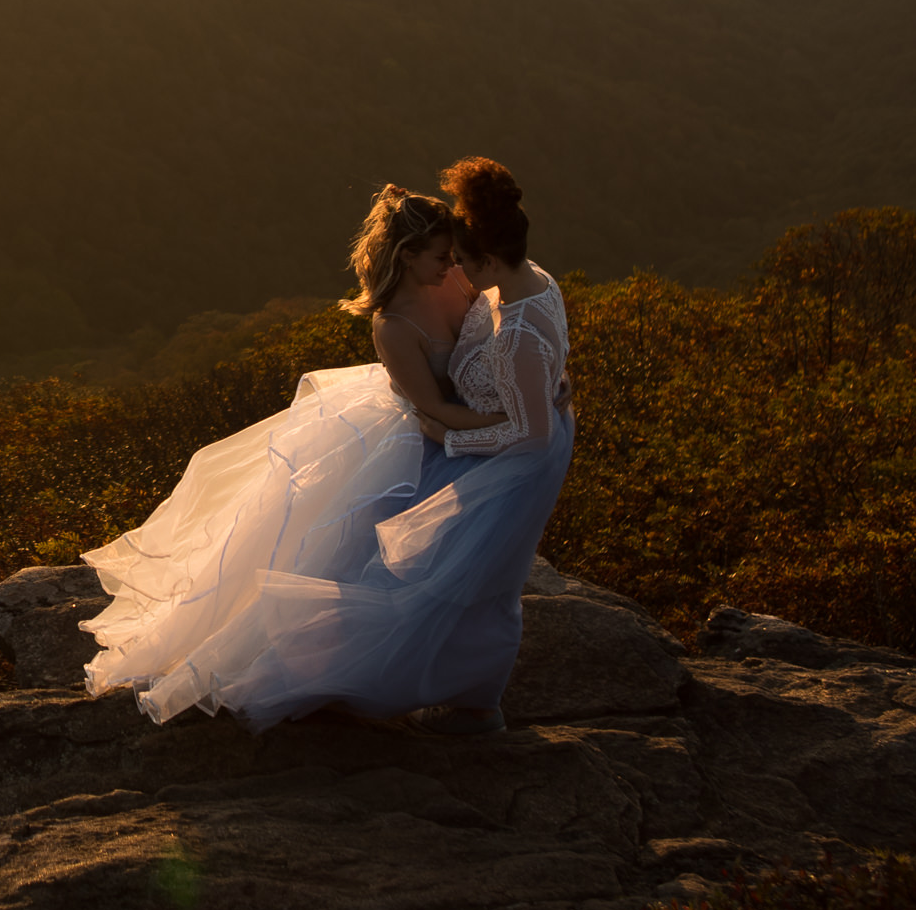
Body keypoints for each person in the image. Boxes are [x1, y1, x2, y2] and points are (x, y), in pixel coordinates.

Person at [79, 159, 574, 735]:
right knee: (370, 565)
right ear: (410, 257)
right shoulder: (395, 324)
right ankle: (342, 675)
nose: (453, 268)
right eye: (442, 257)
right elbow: (433, 410)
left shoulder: (468, 279)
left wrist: (539, 392)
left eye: (456, 256)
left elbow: (518, 347)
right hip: (432, 438)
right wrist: (480, 423)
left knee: (451, 579)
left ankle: (459, 692)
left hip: (482, 444)